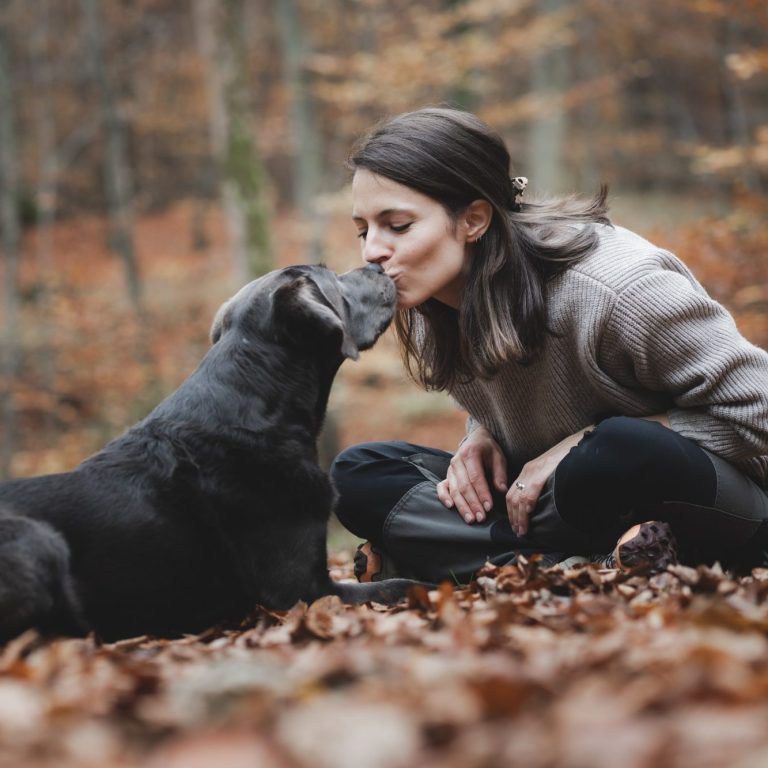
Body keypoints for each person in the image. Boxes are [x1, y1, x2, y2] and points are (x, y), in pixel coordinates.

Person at [330, 106, 768, 584]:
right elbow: (519, 394)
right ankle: (587, 565)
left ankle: (462, 558)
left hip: (711, 497)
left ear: (473, 220)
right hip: (555, 499)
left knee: (617, 449)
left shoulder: (617, 288)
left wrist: (584, 441)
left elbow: (758, 406)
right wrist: (481, 436)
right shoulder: (431, 293)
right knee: (359, 472)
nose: (372, 250)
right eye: (363, 229)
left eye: (397, 226)